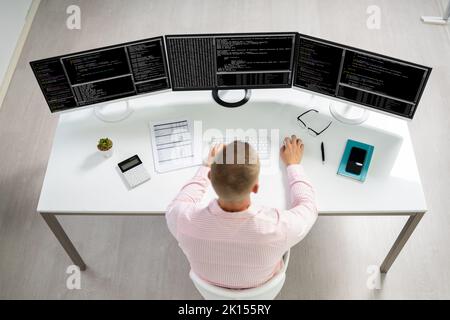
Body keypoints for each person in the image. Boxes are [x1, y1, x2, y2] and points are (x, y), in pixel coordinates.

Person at [166, 135, 317, 289]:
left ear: (210, 177)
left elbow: (179, 202)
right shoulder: (280, 228)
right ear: (256, 187)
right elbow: (308, 206)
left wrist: (206, 165)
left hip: (209, 287)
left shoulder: (181, 220)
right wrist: (293, 165)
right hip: (261, 288)